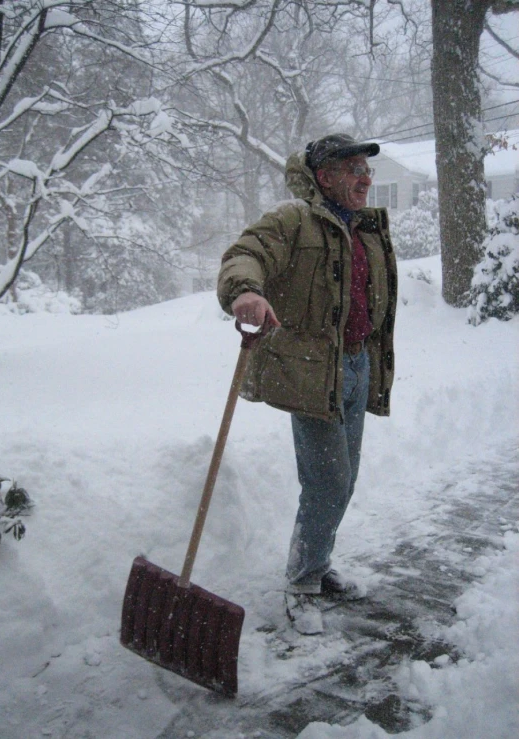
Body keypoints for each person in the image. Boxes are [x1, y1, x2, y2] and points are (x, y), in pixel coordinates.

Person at [217, 133, 397, 634]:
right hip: (314, 372)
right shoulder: (294, 220)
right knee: (328, 481)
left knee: (345, 478)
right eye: (353, 168)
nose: (365, 178)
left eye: (367, 169)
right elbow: (243, 253)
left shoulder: (364, 228)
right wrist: (246, 292)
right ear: (325, 177)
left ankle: (317, 566)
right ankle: (300, 584)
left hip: (359, 368)